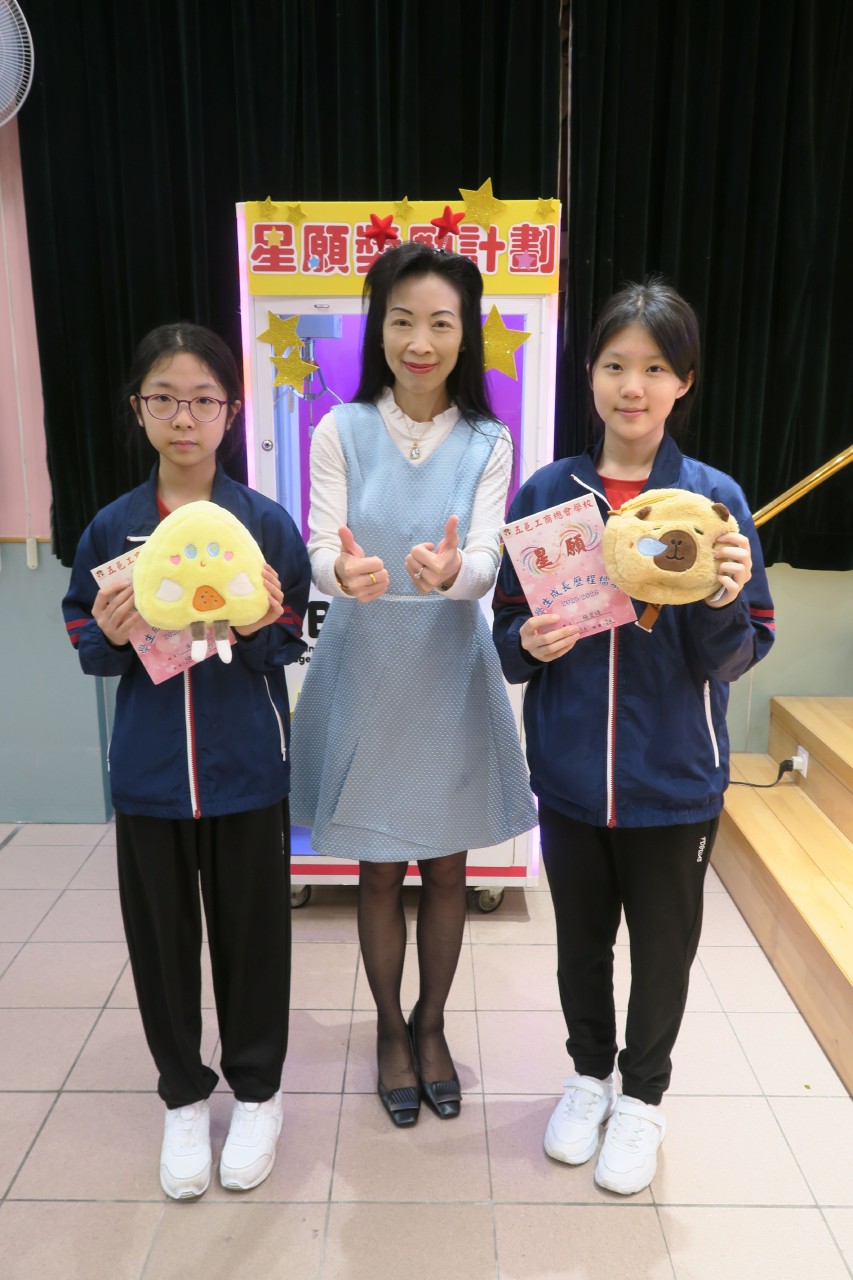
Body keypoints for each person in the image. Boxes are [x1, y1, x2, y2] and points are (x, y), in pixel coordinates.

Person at [493, 280, 775, 1194]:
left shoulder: (712, 502)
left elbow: (738, 655)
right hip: (570, 777)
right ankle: (587, 1077)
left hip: (674, 780)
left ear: (682, 382)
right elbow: (506, 635)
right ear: (589, 373)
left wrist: (722, 597)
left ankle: (643, 1097)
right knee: (580, 944)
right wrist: (528, 643)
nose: (632, 387)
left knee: (662, 952)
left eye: (654, 369)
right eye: (615, 365)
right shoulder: (548, 495)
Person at [290, 242, 537, 1127]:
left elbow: (485, 558)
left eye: (440, 323)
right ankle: (389, 1031)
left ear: (465, 334)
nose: (420, 341)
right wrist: (341, 573)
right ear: (378, 329)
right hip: (365, 660)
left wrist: (450, 574)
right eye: (401, 321)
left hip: (446, 666)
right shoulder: (340, 429)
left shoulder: (487, 440)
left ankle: (431, 1026)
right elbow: (320, 544)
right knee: (377, 868)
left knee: (445, 867)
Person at [62, 323, 311, 1199]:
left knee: (253, 939)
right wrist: (109, 633)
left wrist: (258, 624)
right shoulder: (113, 529)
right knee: (162, 944)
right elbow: (85, 637)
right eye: (164, 399)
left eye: (203, 400)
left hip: (246, 770)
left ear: (231, 413)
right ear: (137, 409)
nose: (184, 418)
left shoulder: (263, 524)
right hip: (150, 775)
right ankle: (181, 1097)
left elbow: (290, 636)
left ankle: (258, 1094)